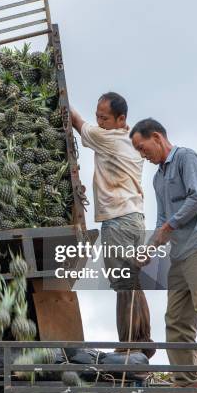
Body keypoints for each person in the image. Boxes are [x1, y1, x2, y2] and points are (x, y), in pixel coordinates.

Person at [129, 118, 197, 388]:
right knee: (176, 319)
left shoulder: (186, 158)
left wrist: (170, 225)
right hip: (179, 255)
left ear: (156, 137)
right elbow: (161, 220)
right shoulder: (158, 178)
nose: (143, 155)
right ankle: (185, 382)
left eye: (143, 148)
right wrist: (149, 249)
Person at [71, 92, 154, 358]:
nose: (99, 121)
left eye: (104, 118)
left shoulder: (109, 138)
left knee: (121, 282)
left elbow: (76, 121)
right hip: (135, 218)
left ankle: (128, 342)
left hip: (118, 219)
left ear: (121, 119)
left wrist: (59, 95)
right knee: (132, 279)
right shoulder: (131, 141)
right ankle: (143, 338)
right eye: (97, 116)